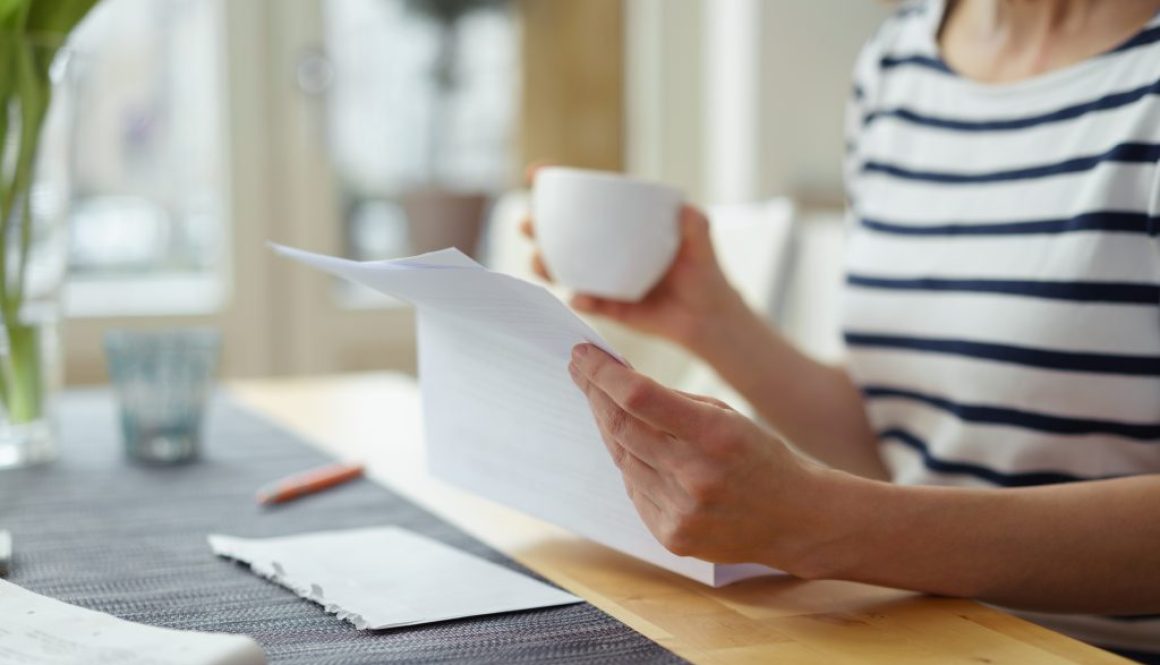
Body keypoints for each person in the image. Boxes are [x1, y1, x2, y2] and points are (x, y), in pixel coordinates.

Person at [522, 0, 1160, 661]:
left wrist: (823, 527)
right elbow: (907, 445)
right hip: (932, 632)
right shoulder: (898, 64)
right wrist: (711, 318)